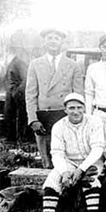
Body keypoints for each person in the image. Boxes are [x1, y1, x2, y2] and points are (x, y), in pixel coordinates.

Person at [40, 93, 104, 212]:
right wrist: (65, 172)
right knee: (52, 181)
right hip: (68, 162)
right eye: (71, 108)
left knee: (92, 181)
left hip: (91, 161)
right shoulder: (59, 126)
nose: (75, 111)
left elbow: (97, 149)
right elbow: (57, 153)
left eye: (79, 107)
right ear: (65, 110)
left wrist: (81, 169)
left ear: (84, 108)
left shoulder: (94, 122)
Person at [26, 28, 84, 168]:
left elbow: (78, 96)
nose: (52, 41)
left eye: (56, 38)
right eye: (49, 38)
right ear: (44, 42)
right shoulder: (35, 64)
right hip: (43, 118)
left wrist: (76, 118)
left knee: (67, 160)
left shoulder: (73, 65)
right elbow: (30, 95)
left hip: (65, 116)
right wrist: (33, 119)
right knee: (47, 162)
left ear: (62, 42)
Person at [2, 47, 30, 143]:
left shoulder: (19, 62)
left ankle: (21, 139)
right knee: (10, 115)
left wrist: (17, 92)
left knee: (20, 117)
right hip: (12, 93)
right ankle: (12, 139)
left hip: (18, 94)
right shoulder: (14, 62)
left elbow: (26, 79)